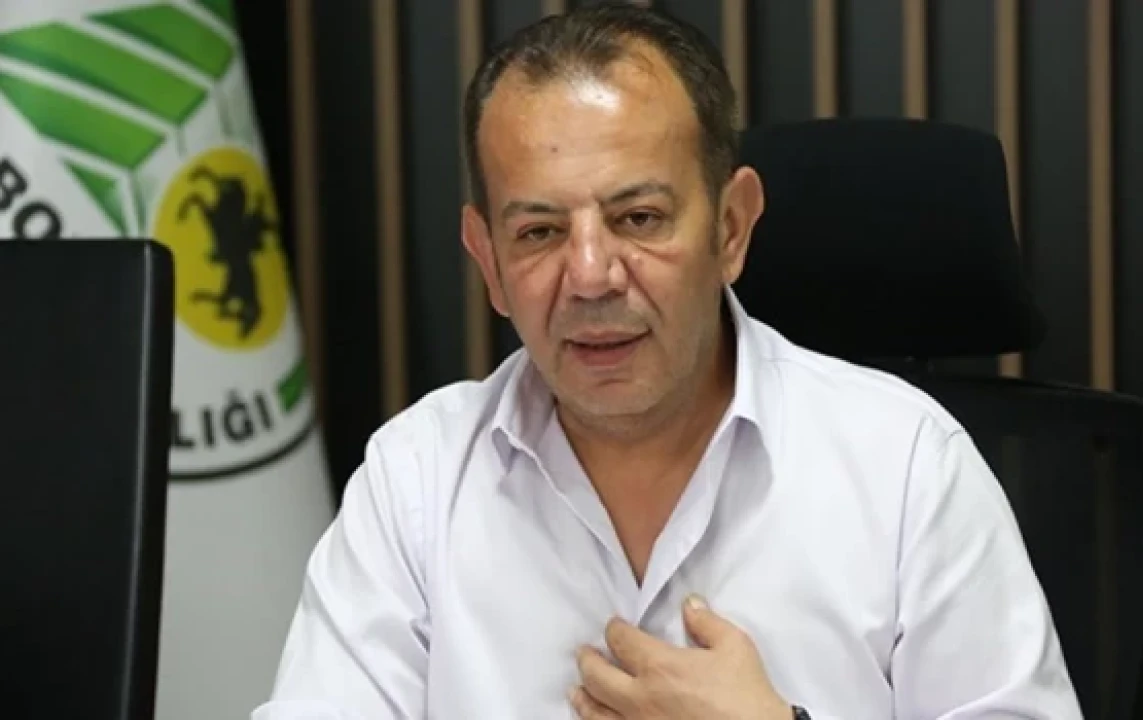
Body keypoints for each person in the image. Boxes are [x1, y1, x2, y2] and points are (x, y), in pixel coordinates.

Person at [254, 3, 1082, 718]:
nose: (590, 276)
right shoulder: (418, 481)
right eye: (539, 232)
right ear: (489, 262)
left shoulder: (906, 468)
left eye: (639, 218)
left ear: (730, 227)